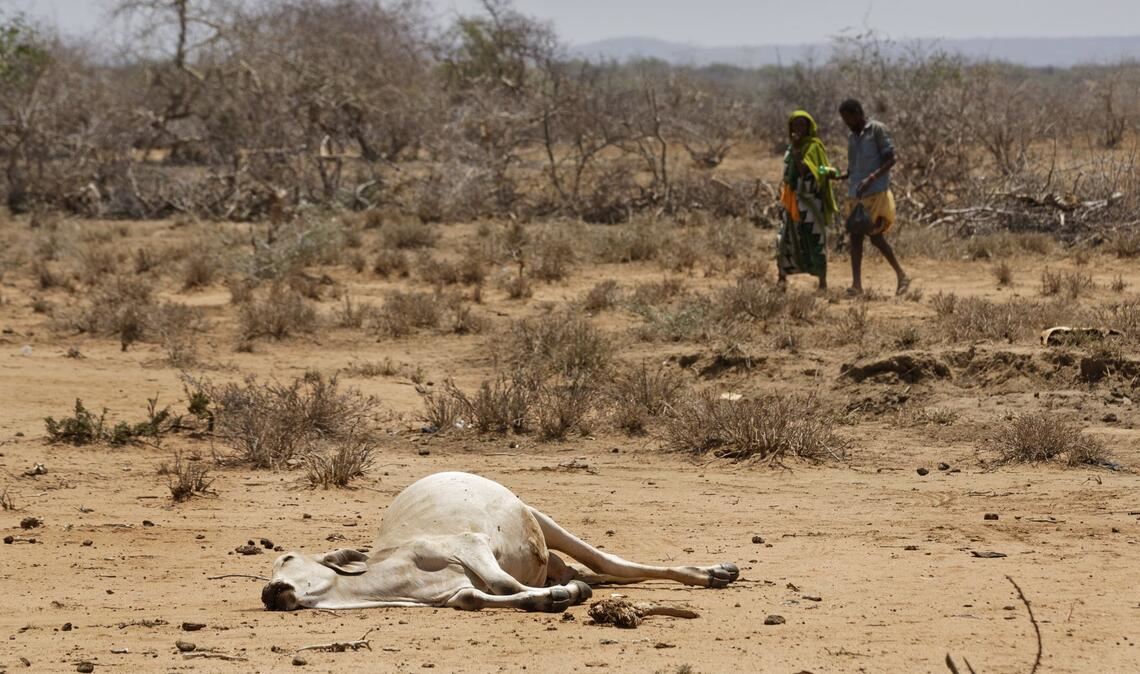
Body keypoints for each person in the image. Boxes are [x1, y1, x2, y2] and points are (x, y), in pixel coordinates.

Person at [837, 98, 910, 296]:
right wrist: (839, 176)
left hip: (875, 193)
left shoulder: (877, 130)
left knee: (876, 237)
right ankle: (857, 285)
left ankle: (901, 275)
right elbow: (852, 168)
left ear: (858, 114)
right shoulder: (852, 138)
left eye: (848, 118)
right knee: (856, 238)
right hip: (856, 195)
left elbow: (891, 159)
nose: (847, 123)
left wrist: (871, 178)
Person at [777, 110, 838, 291]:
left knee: (815, 239)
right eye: (795, 125)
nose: (798, 129)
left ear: (809, 127)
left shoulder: (813, 146)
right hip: (792, 200)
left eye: (802, 125)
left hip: (811, 201)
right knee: (785, 239)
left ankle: (822, 282)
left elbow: (806, 170)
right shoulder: (790, 148)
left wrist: (797, 150)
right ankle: (781, 278)